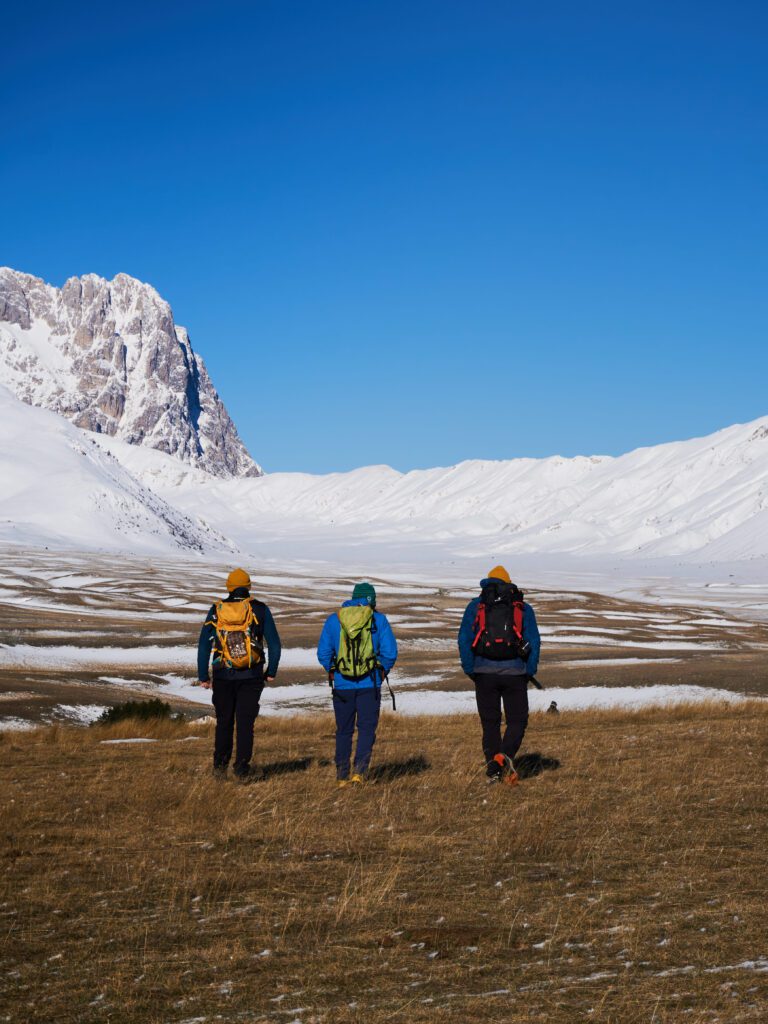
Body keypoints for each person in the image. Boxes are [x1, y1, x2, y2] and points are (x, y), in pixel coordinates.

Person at [458, 566, 541, 785]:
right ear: (509, 583)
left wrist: (471, 669)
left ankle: (494, 769)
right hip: (515, 672)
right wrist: (528, 671)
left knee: (490, 723)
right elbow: (534, 640)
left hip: (484, 673)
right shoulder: (521, 607)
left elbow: (464, 639)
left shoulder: (476, 606)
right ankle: (501, 760)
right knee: (517, 721)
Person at [198, 568, 281, 780]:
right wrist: (271, 671)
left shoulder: (216, 610)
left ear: (229, 586)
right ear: (249, 586)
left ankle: (219, 768)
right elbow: (274, 644)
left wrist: (203, 676)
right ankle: (242, 769)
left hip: (223, 675)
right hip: (251, 675)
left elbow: (203, 645)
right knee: (245, 723)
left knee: (224, 721)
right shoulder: (260, 609)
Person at [317, 582, 397, 787]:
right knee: (366, 729)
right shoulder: (379, 620)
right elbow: (390, 653)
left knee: (343, 730)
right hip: (369, 684)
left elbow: (323, 653)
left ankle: (342, 775)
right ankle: (359, 772)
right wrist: (380, 672)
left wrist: (334, 671)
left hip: (342, 686)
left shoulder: (334, 620)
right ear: (372, 600)